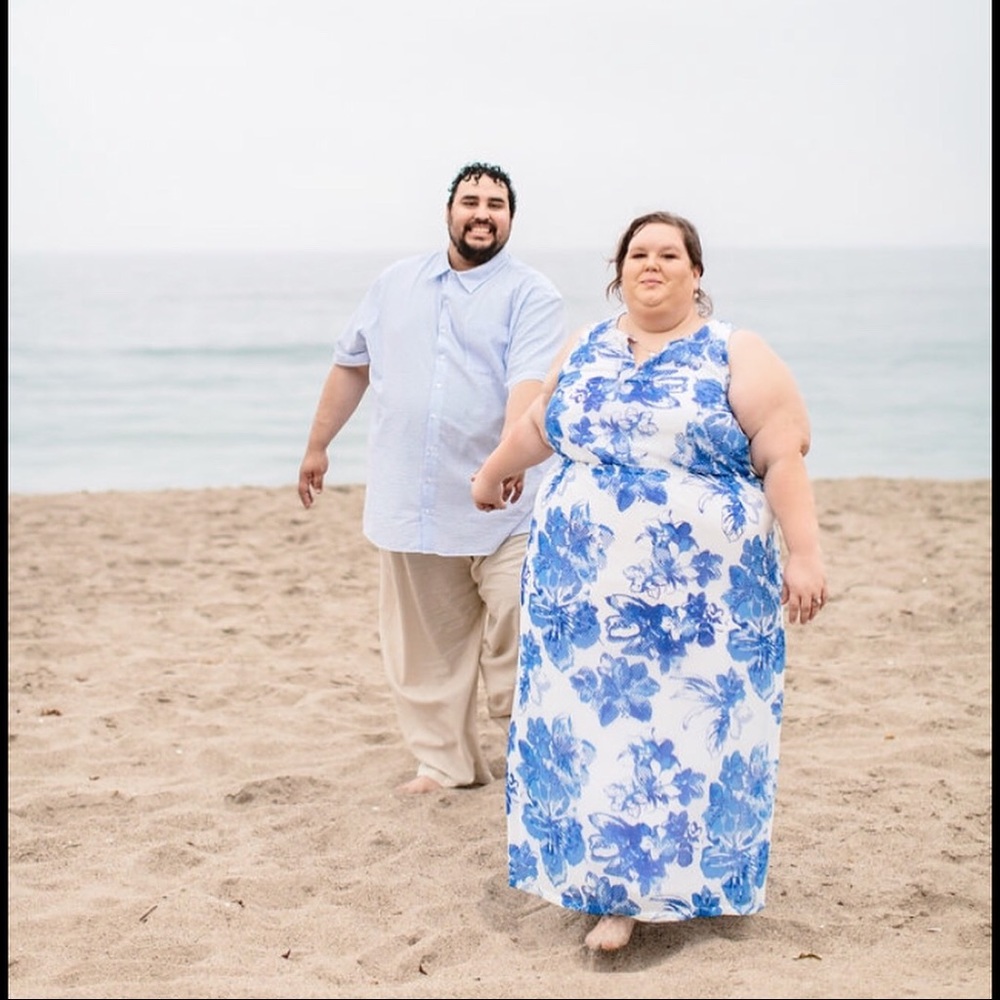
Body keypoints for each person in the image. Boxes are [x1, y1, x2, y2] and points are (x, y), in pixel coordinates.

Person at [471, 211, 827, 951]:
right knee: (589, 730)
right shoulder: (588, 344)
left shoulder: (737, 351)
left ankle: (639, 897)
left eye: (670, 254)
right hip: (580, 595)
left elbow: (783, 453)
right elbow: (542, 425)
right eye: (638, 253)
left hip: (703, 602)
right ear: (619, 269)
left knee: (681, 733)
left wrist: (805, 554)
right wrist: (494, 472)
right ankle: (604, 886)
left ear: (696, 273)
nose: (652, 264)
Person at [298, 162, 567, 795]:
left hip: (504, 501)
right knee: (424, 646)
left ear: (510, 219)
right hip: (412, 498)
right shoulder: (395, 283)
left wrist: (507, 461)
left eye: (495, 204)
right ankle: (445, 766)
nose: (482, 212)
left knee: (520, 616)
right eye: (470, 200)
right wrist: (318, 445)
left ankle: (529, 739)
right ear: (449, 211)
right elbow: (350, 364)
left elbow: (527, 384)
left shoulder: (533, 294)